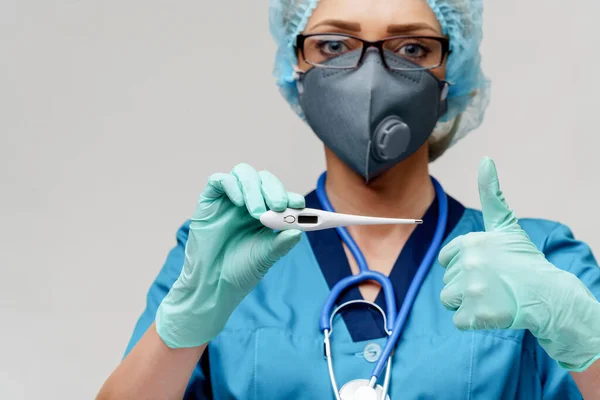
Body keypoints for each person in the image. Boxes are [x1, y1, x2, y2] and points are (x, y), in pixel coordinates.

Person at [97, 0, 600, 398]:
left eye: (412, 49)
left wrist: (587, 342)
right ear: (297, 66)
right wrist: (185, 324)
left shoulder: (537, 263)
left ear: (451, 73)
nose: (372, 75)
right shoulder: (222, 253)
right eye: (335, 45)